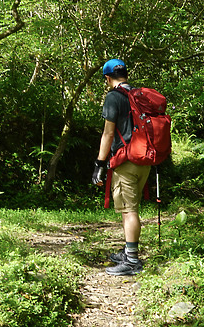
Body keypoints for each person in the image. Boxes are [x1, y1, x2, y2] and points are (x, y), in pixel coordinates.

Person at [91, 58, 151, 276]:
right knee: (131, 208)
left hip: (126, 161)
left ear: (108, 78)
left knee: (128, 210)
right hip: (144, 160)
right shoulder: (139, 96)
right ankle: (128, 252)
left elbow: (108, 133)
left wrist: (99, 163)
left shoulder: (113, 97)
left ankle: (132, 261)